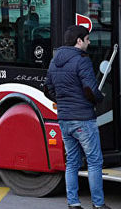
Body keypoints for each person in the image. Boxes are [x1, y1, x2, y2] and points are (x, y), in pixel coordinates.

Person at [44, 25, 111, 209]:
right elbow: (90, 89)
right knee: (94, 161)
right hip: (83, 118)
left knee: (72, 161)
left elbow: (48, 88)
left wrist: (63, 101)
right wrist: (99, 98)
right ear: (79, 41)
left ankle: (73, 203)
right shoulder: (82, 61)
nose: (89, 43)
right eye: (87, 39)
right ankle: (98, 204)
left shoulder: (54, 60)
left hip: (64, 118)